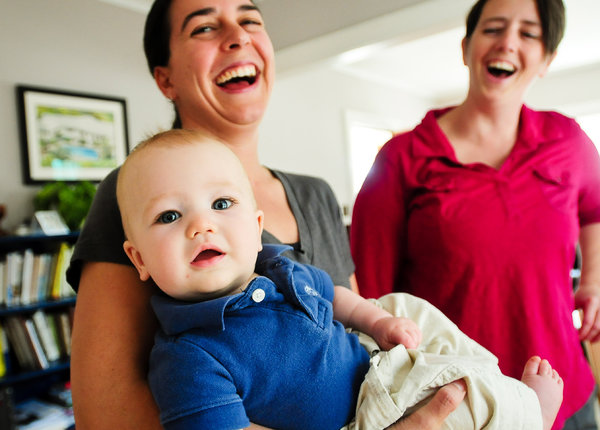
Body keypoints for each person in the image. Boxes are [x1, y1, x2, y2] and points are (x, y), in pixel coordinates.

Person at [66, 0, 467, 428]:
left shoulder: (316, 195)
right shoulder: (131, 194)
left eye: (250, 20)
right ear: (165, 79)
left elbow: (353, 322)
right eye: (203, 28)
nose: (237, 36)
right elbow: (105, 414)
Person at [116, 129, 563, 430]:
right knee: (459, 401)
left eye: (221, 204)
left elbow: (337, 294)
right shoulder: (188, 355)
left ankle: (494, 378)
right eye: (169, 215)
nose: (201, 226)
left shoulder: (277, 267)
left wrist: (377, 322)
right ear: (139, 259)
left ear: (256, 227)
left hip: (372, 356)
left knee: (402, 306)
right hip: (372, 414)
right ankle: (527, 411)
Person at [350, 0, 600, 429]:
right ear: (466, 46)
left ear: (547, 59)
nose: (507, 42)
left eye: (528, 33)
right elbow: (372, 299)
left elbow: (594, 210)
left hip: (562, 394)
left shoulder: (568, 140)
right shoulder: (400, 159)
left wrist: (593, 278)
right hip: (459, 406)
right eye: (493, 28)